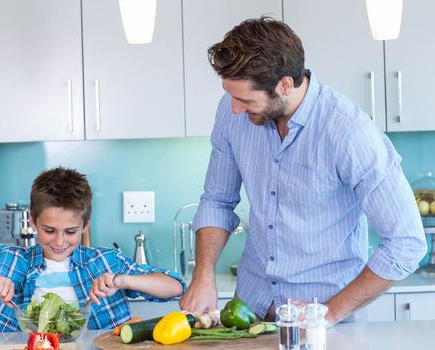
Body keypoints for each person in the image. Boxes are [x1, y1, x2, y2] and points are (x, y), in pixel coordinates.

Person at [179, 16, 427, 325]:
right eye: (231, 96)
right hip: (248, 312)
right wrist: (203, 276)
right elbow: (217, 200)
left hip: (325, 321)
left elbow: (406, 243)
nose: (234, 109)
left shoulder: (349, 132)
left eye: (244, 100)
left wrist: (328, 313)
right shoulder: (234, 114)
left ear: (285, 84)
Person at [0, 167, 185, 332]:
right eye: (49, 230)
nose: (60, 241)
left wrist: (121, 281)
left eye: (71, 232)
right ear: (32, 222)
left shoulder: (105, 262)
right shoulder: (10, 261)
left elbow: (175, 286)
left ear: (85, 225)